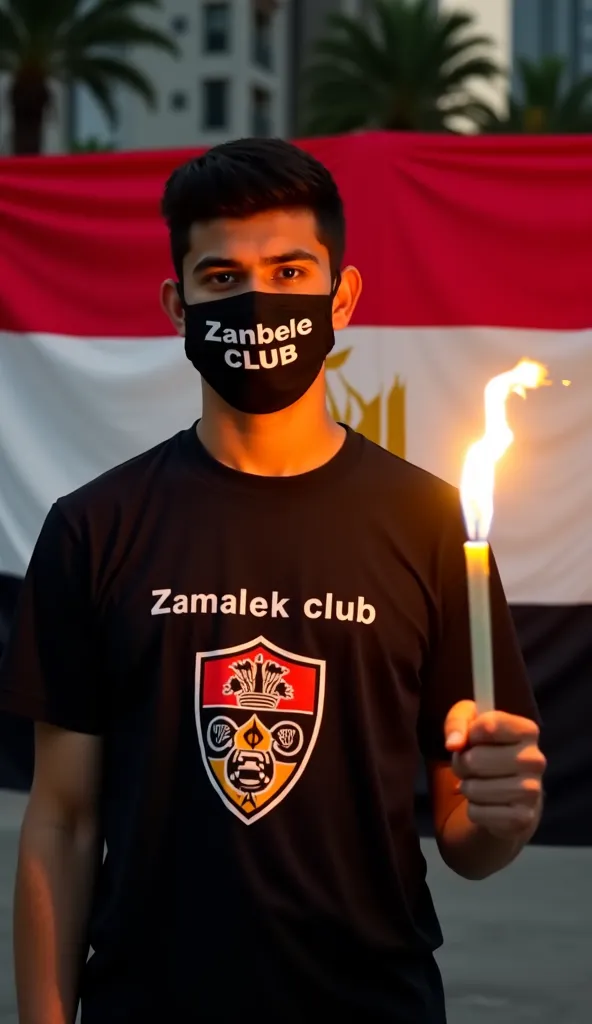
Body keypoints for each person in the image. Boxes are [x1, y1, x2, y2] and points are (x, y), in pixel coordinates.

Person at [0, 137, 545, 1024]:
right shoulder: (93, 527)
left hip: (373, 1004)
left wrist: (502, 816)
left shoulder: (433, 525)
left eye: (292, 272)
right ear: (179, 305)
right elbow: (61, 820)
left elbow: (466, 843)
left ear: (344, 295)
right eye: (222, 279)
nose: (258, 301)